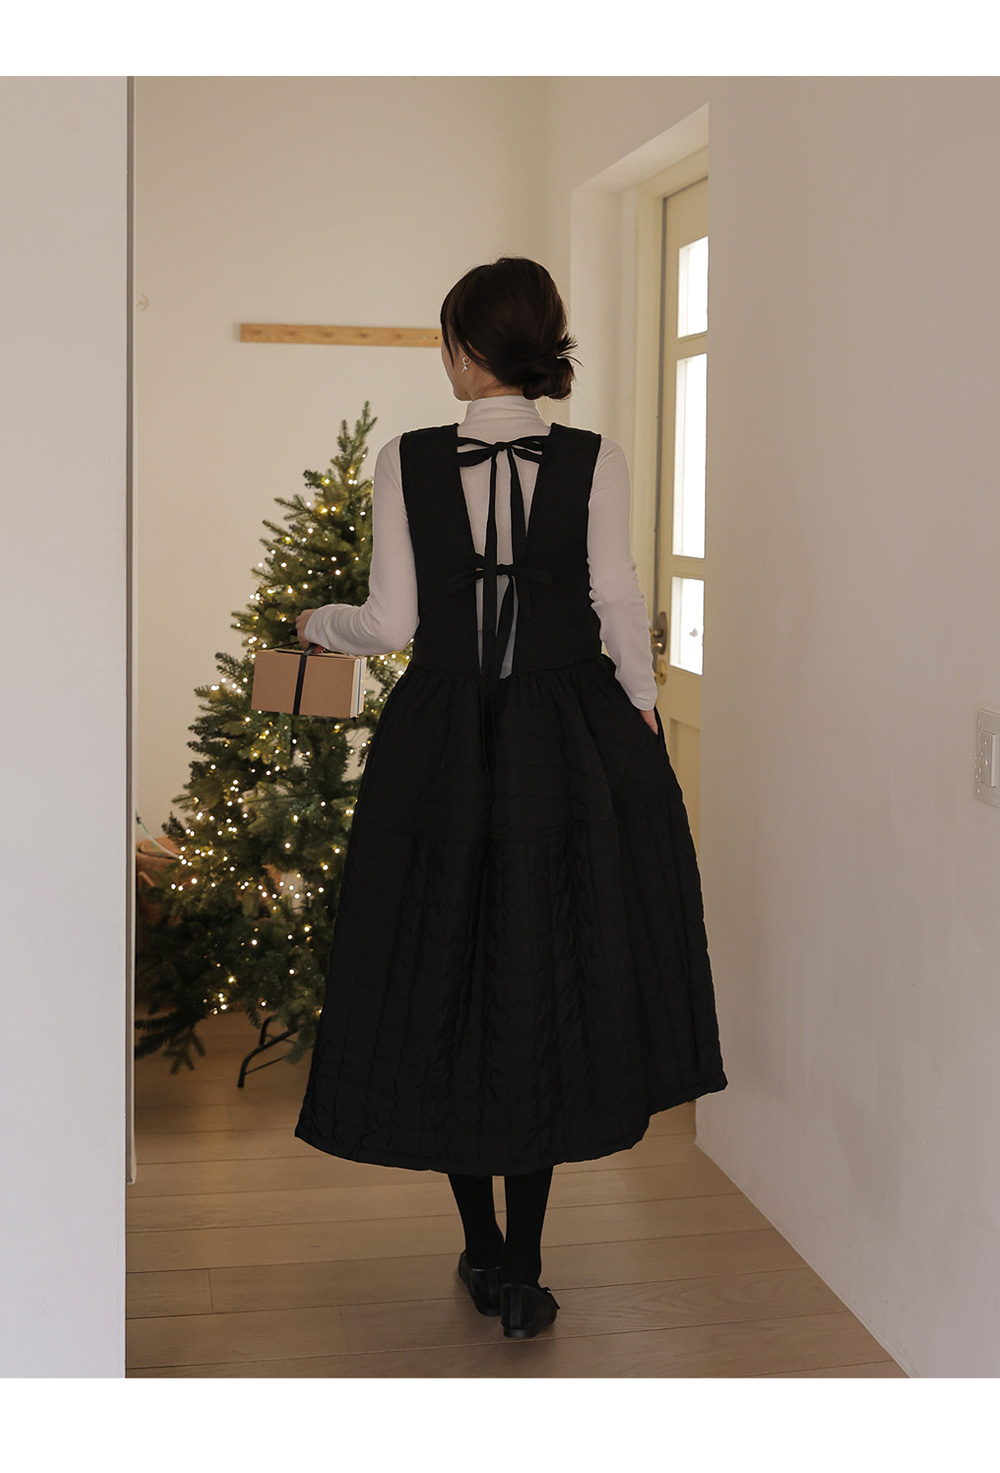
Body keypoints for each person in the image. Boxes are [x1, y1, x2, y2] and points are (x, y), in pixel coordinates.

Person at [293, 255, 728, 1340]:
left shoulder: (406, 458)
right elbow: (618, 602)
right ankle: (526, 1267)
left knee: (446, 968)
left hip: (440, 745)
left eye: (449, 339)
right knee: (539, 975)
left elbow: (390, 625)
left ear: (468, 349)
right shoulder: (593, 456)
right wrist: (640, 711)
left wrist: (314, 626)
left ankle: (482, 1248)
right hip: (562, 740)